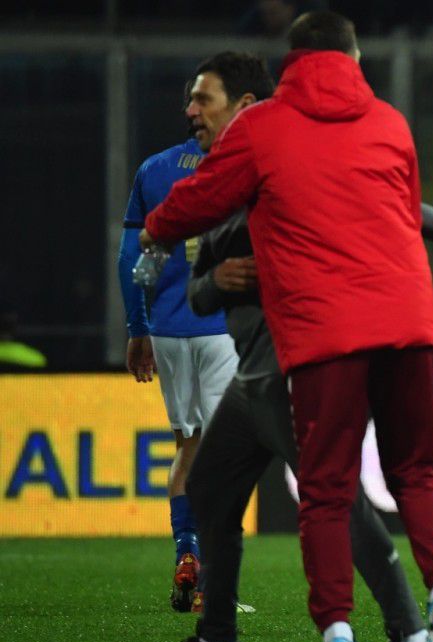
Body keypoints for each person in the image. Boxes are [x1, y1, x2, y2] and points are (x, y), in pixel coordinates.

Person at [140, 11, 433, 642]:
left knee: (332, 497)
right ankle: (219, 640)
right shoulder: (373, 125)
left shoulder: (264, 145)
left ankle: (395, 634)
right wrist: (222, 278)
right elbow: (201, 290)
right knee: (214, 487)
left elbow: (383, 219)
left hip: (306, 355)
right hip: (271, 368)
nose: (191, 112)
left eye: (202, 98)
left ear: (244, 104)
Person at [117, 63, 260, 613]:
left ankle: (188, 555)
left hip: (171, 329)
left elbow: (135, 255)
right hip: (226, 326)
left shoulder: (155, 170)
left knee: (188, 447)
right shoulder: (244, 163)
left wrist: (139, 326)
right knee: (228, 455)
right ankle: (214, 582)